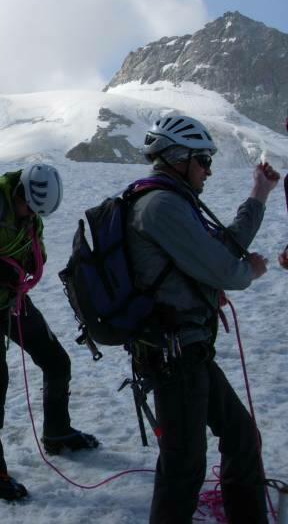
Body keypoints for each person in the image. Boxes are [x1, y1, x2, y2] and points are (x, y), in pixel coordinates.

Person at [126, 115, 280, 524]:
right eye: (204, 161)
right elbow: (227, 269)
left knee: (240, 437)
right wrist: (249, 271)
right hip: (173, 354)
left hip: (187, 350)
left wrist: (258, 194)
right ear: (179, 158)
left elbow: (220, 248)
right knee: (184, 467)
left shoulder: (173, 202)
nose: (208, 170)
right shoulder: (161, 206)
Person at [0, 164, 98, 502]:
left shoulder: (30, 212)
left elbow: (37, 246)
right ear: (19, 192)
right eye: (29, 208)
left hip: (12, 298)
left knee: (56, 361)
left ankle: (57, 432)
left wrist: (28, 261)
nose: (31, 215)